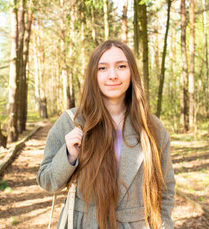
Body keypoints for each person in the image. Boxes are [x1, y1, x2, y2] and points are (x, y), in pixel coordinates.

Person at [37, 40, 175, 229]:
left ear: (131, 71)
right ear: (93, 75)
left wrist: (164, 225)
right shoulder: (72, 121)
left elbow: (165, 191)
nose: (113, 75)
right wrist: (69, 156)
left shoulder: (153, 128)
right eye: (103, 68)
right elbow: (46, 181)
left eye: (121, 66)